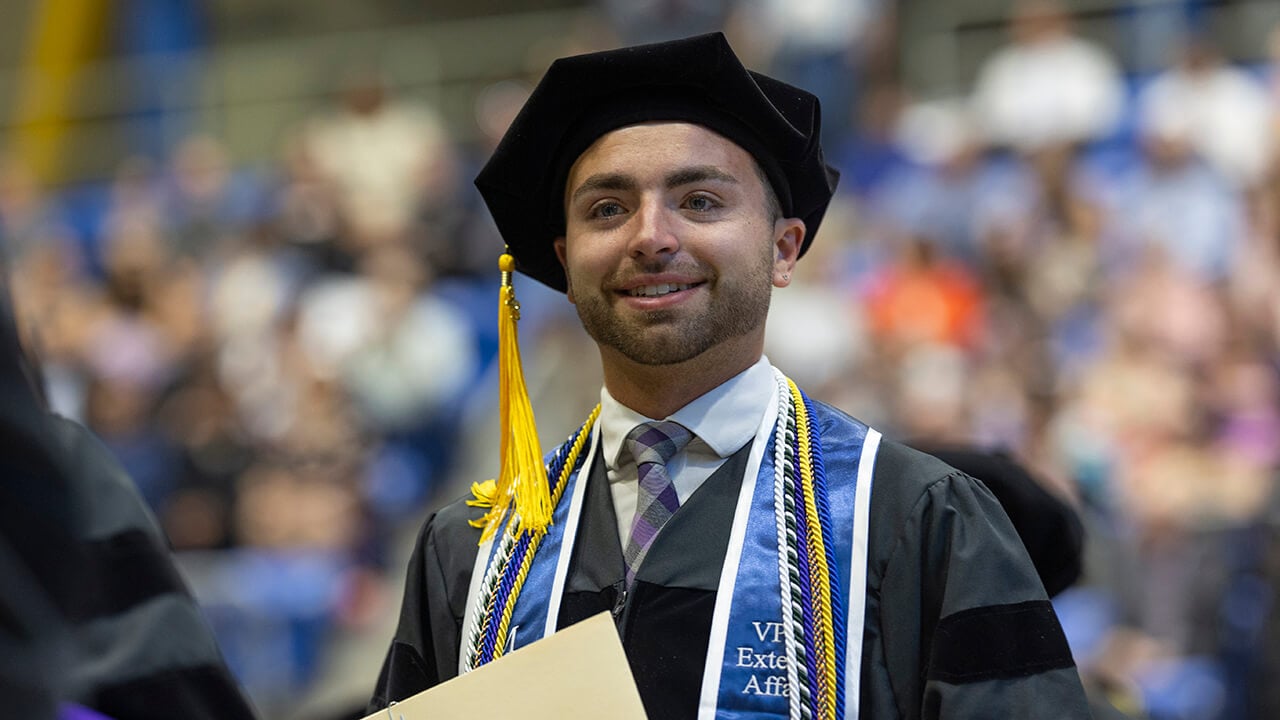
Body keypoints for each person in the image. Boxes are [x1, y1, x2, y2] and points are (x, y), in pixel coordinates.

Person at [369, 33, 1090, 719]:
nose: (650, 235)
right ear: (563, 260)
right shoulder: (474, 553)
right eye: (608, 209)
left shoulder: (915, 519)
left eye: (700, 201)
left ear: (784, 249)